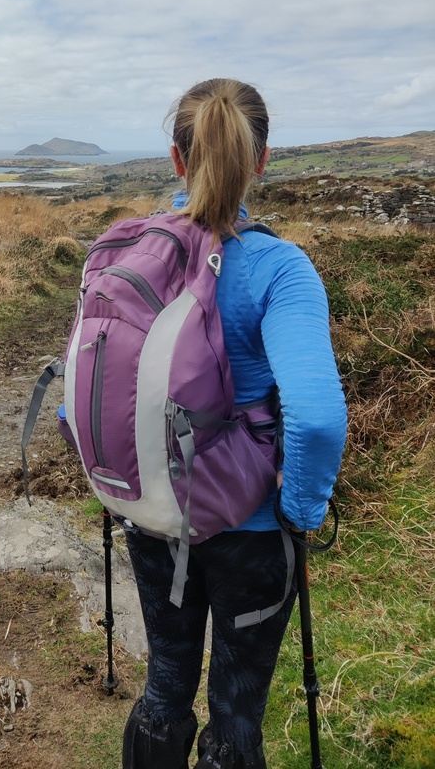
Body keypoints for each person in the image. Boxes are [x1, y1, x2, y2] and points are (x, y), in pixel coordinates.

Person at [122, 79, 347, 769]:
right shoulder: (280, 268)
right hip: (248, 530)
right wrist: (300, 510)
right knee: (235, 710)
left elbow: (86, 398)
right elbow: (314, 419)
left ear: (175, 158)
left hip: (154, 515)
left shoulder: (128, 254)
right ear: (262, 159)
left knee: (165, 686)